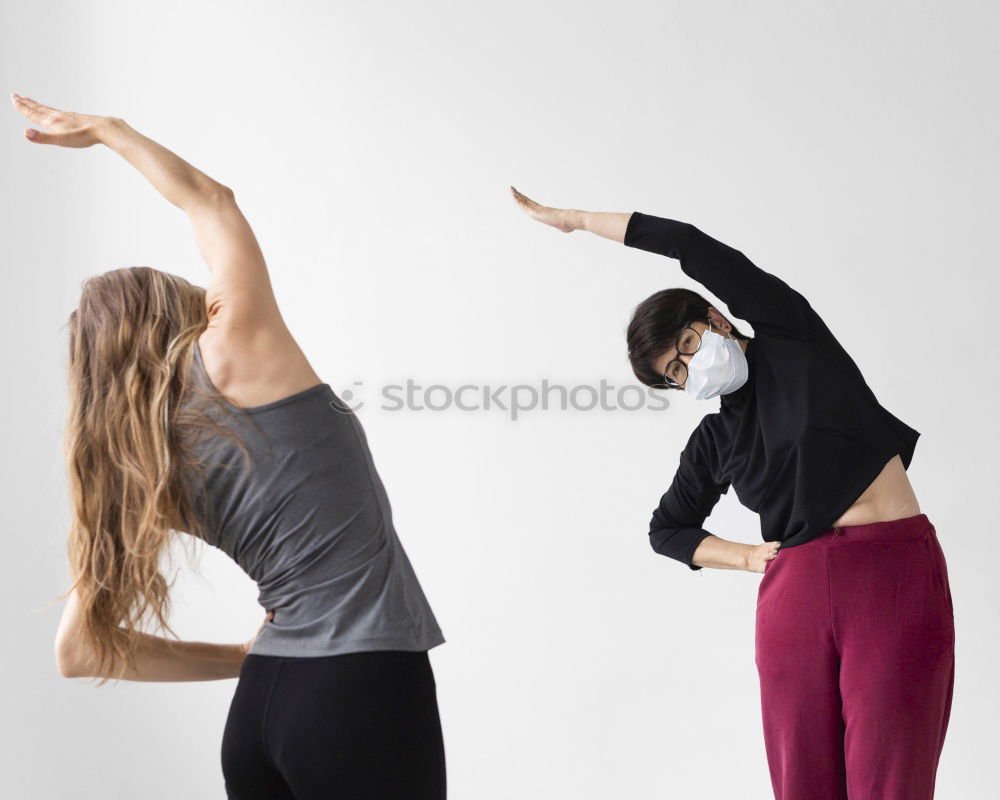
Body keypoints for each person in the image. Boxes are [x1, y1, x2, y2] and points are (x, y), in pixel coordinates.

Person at [16, 93, 447, 799]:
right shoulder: (233, 349)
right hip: (359, 685)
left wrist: (245, 659)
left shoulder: (134, 464)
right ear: (169, 309)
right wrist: (110, 131)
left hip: (261, 713)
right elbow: (210, 202)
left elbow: (79, 649)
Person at [512, 187, 955, 800]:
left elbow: (691, 245)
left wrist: (580, 221)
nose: (690, 369)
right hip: (794, 594)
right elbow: (666, 529)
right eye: (675, 373)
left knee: (893, 780)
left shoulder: (790, 337)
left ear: (714, 320)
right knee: (804, 783)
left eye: (688, 347)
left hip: (890, 570)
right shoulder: (716, 437)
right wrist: (747, 556)